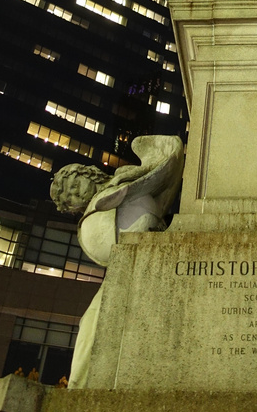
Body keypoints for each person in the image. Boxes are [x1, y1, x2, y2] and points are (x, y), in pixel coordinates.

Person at [50, 135, 184, 387]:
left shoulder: (123, 175)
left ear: (88, 174)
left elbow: (163, 166)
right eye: (69, 199)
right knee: (90, 322)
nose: (74, 195)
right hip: (125, 262)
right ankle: (82, 385)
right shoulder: (94, 214)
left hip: (148, 250)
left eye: (73, 185)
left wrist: (125, 184)